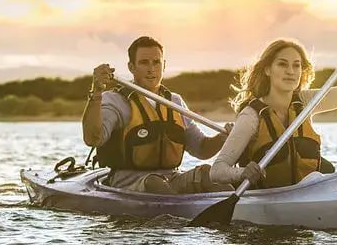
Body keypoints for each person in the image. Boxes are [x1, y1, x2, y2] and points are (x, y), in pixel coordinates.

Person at [210, 27, 337, 189]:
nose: (291, 71)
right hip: (269, 197)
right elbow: (217, 171)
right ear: (268, 70)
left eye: (296, 65)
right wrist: (242, 173)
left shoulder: (305, 101)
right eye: (282, 64)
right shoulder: (251, 116)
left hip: (309, 191)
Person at [82, 36, 231, 193]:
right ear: (131, 67)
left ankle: (235, 209)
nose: (151, 69)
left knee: (208, 174)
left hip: (171, 179)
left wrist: (223, 138)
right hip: (128, 182)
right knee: (154, 183)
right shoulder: (115, 101)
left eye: (156, 62)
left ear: (164, 65)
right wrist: (97, 92)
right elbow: (93, 138)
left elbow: (202, 149)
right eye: (144, 62)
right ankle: (176, 213)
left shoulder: (174, 101)